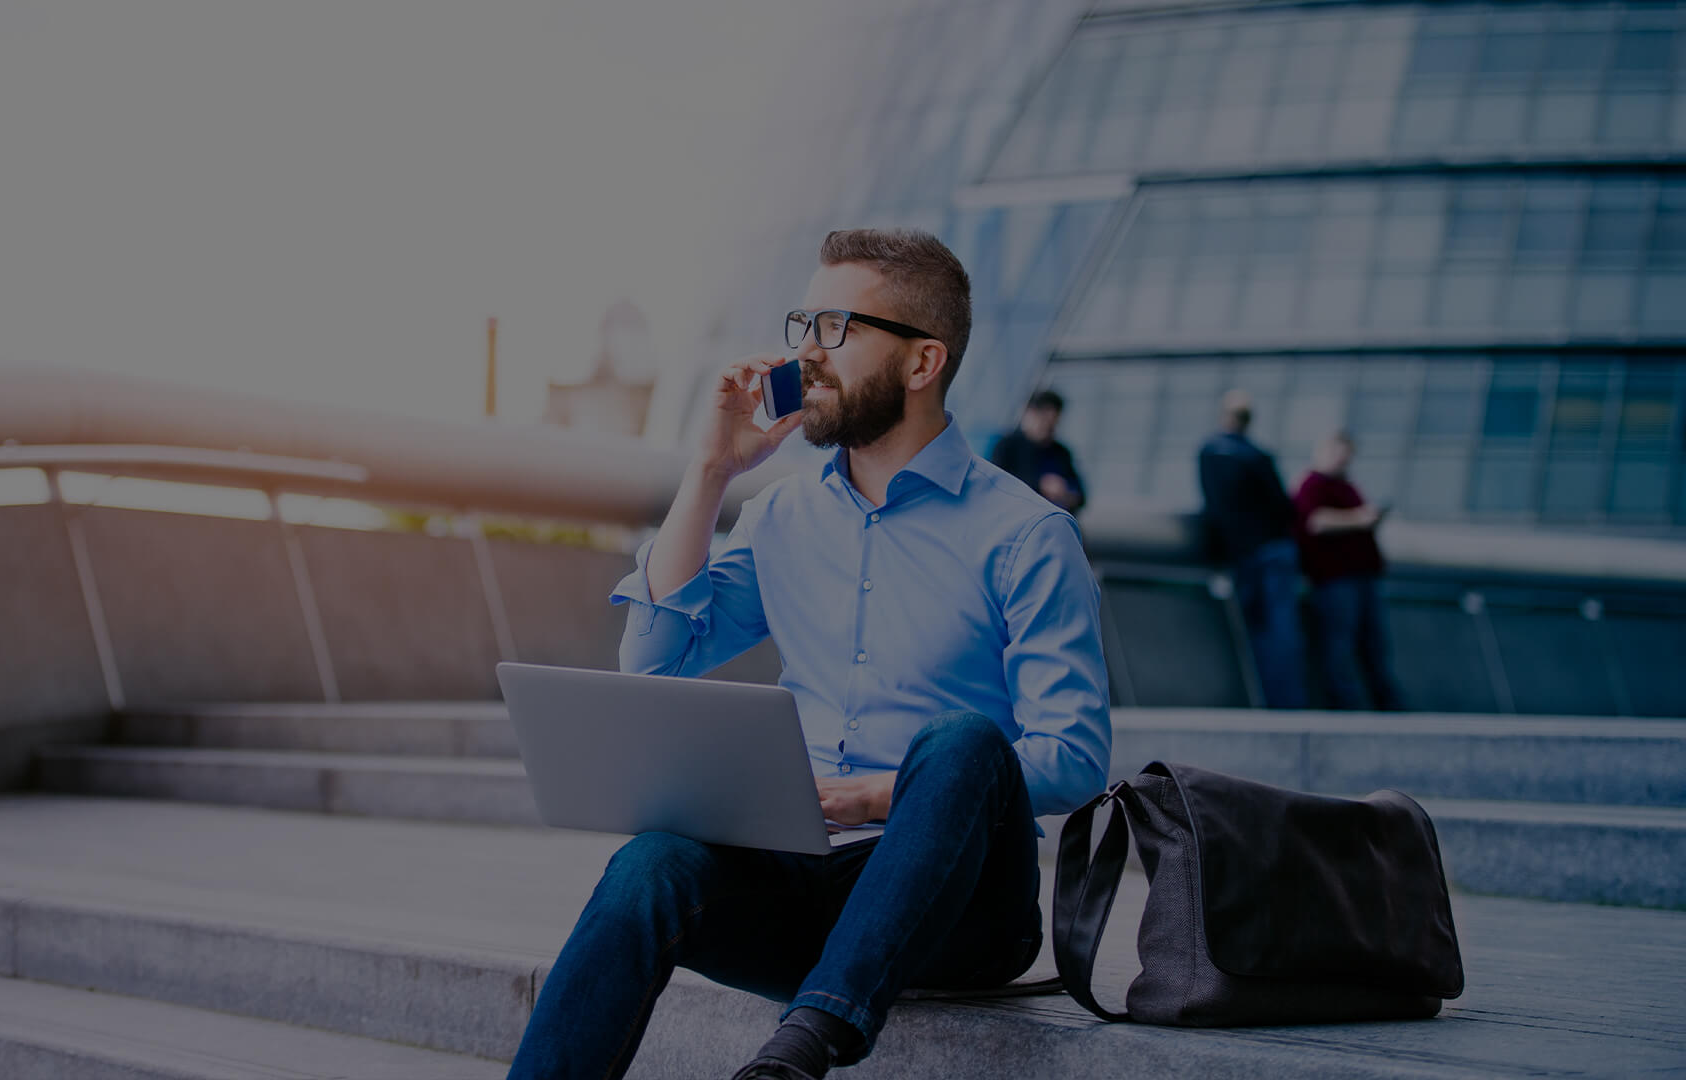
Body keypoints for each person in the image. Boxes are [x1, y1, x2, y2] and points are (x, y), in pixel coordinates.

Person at [506, 229, 1110, 1080]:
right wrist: (711, 471)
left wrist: (878, 796)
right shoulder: (781, 517)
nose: (805, 354)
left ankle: (801, 1049)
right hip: (804, 886)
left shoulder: (1027, 536)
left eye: (836, 328)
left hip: (960, 907)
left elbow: (1075, 756)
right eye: (803, 324)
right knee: (652, 864)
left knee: (963, 741)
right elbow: (651, 667)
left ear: (922, 362)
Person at [1197, 390, 1306, 709]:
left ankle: (1267, 702)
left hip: (1240, 553)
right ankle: (1285, 705)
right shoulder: (1257, 456)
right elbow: (1283, 506)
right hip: (1272, 550)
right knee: (1280, 633)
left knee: (1254, 631)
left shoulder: (1209, 453)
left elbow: (1212, 504)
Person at [1293, 431, 1402, 711]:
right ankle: (1346, 706)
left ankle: (1385, 705)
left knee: (1373, 647)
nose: (1343, 462)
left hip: (1362, 577)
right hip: (1334, 580)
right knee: (1339, 646)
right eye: (1339, 455)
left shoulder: (1346, 486)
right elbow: (1315, 521)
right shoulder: (1311, 484)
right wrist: (1359, 519)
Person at [988, 390, 1086, 514]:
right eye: (1044, 420)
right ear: (1029, 414)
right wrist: (1041, 485)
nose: (1048, 427)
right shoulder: (1007, 446)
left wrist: (1066, 494)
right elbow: (997, 484)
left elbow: (1080, 495)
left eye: (1053, 423)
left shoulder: (1061, 452)